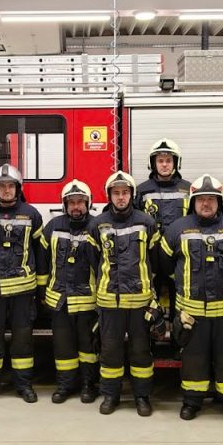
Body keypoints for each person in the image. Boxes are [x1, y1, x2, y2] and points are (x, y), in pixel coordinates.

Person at [159, 174, 223, 423]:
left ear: (220, 201)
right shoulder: (177, 229)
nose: (206, 203)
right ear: (193, 202)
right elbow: (165, 264)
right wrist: (183, 284)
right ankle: (192, 401)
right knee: (193, 359)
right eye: (201, 199)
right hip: (191, 312)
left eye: (211, 199)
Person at [87, 171, 161, 416]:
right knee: (110, 351)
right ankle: (111, 395)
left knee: (141, 351)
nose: (121, 197)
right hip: (109, 302)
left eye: (125, 192)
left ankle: (142, 397)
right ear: (109, 196)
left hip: (140, 302)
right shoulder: (97, 224)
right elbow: (94, 260)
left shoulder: (147, 222)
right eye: (116, 193)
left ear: (132, 194)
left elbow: (155, 261)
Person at [0, 164, 44, 404]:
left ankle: (24, 385)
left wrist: (40, 287)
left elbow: (40, 252)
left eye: (10, 186)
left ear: (18, 188)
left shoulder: (32, 215)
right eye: (2, 186)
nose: (6, 190)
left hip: (23, 290)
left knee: (23, 340)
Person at [37, 180, 100, 404]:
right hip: (59, 300)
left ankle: (89, 385)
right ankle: (65, 385)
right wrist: (42, 290)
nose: (76, 207)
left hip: (87, 301)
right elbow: (42, 261)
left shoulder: (97, 227)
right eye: (71, 202)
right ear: (65, 204)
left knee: (88, 348)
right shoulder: (53, 227)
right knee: (63, 347)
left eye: (80, 202)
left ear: (88, 203)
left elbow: (103, 265)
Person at [136, 139, 191, 317]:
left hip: (179, 257)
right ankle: (152, 332)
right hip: (150, 257)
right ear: (153, 163)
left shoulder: (188, 190)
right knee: (150, 303)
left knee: (180, 302)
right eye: (160, 161)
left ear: (176, 163)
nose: (165, 164)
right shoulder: (141, 191)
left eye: (168, 160)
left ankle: (177, 332)